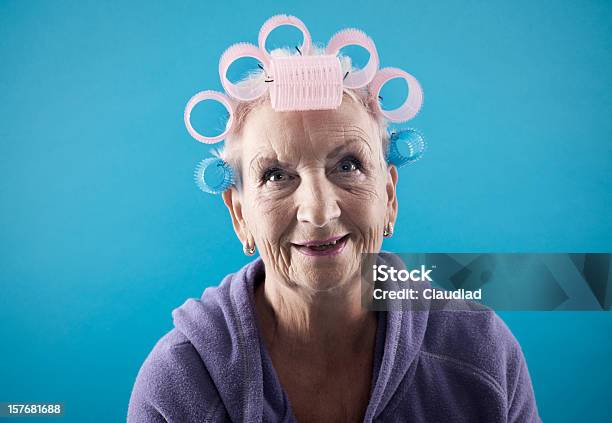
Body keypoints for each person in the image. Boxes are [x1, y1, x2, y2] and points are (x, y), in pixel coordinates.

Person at [127, 15, 540, 422]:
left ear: (390, 195)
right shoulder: (180, 383)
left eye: (348, 166)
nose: (319, 212)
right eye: (276, 175)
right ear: (239, 215)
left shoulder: (481, 352)